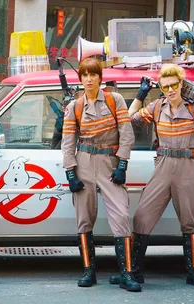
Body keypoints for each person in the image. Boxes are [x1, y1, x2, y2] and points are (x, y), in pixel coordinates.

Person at [110, 64, 194, 287]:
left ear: (181, 83)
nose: (170, 90)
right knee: (142, 215)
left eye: (174, 85)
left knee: (190, 221)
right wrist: (140, 95)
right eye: (165, 86)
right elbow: (128, 119)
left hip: (189, 165)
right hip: (162, 165)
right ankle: (134, 271)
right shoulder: (158, 106)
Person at [61, 57, 141, 292]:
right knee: (84, 217)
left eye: (93, 74)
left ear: (99, 77)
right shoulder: (74, 106)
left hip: (109, 162)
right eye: (84, 75)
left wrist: (122, 164)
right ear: (81, 78)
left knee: (121, 215)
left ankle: (126, 274)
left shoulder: (114, 100)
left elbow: (126, 134)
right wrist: (70, 172)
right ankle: (89, 271)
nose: (88, 79)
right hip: (84, 161)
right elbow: (68, 141)